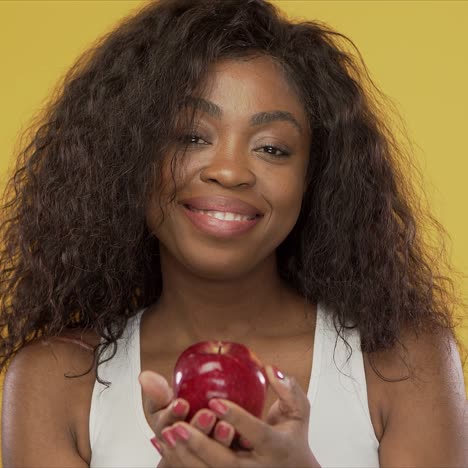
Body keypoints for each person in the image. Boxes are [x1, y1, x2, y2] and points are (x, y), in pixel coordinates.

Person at [1, 0, 467, 466]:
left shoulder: (401, 362)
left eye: (271, 148)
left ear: (314, 178)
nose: (229, 171)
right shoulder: (56, 381)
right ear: (127, 156)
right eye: (190, 137)